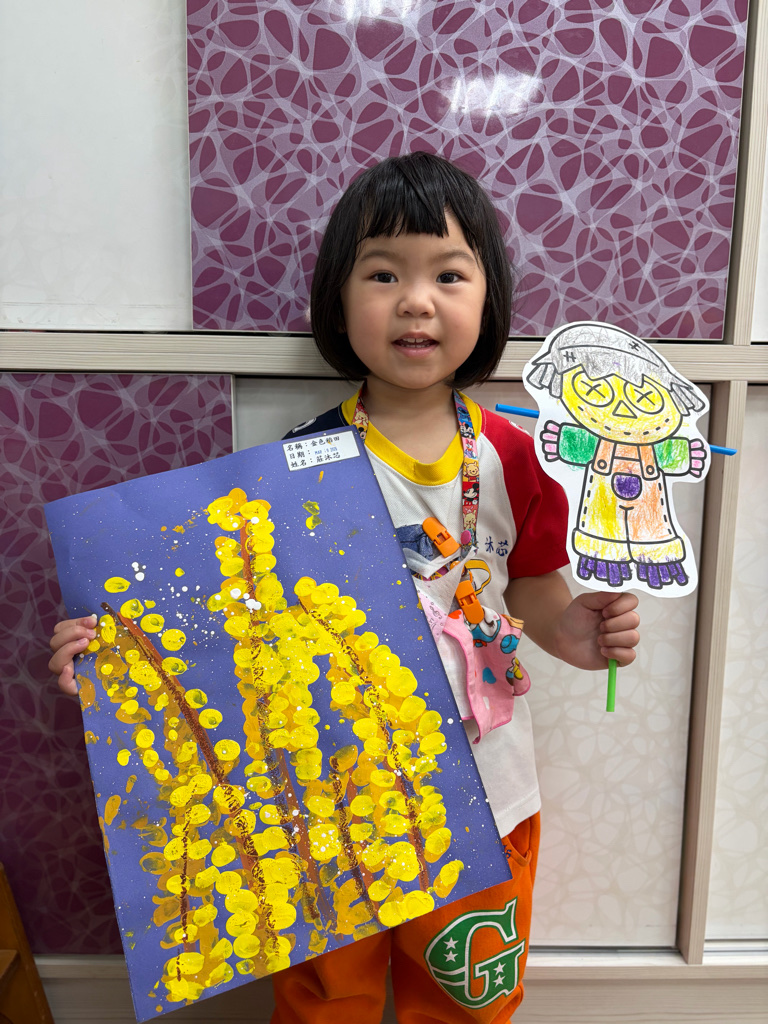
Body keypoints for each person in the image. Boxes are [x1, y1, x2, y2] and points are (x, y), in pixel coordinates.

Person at [49, 153, 640, 1024]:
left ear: (490, 299)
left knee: (467, 992)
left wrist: (574, 632)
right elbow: (230, 630)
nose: (416, 301)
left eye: (449, 274)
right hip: (330, 795)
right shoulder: (291, 468)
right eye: (383, 274)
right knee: (329, 999)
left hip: (487, 788)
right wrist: (120, 658)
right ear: (337, 298)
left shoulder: (514, 455)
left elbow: (533, 591)